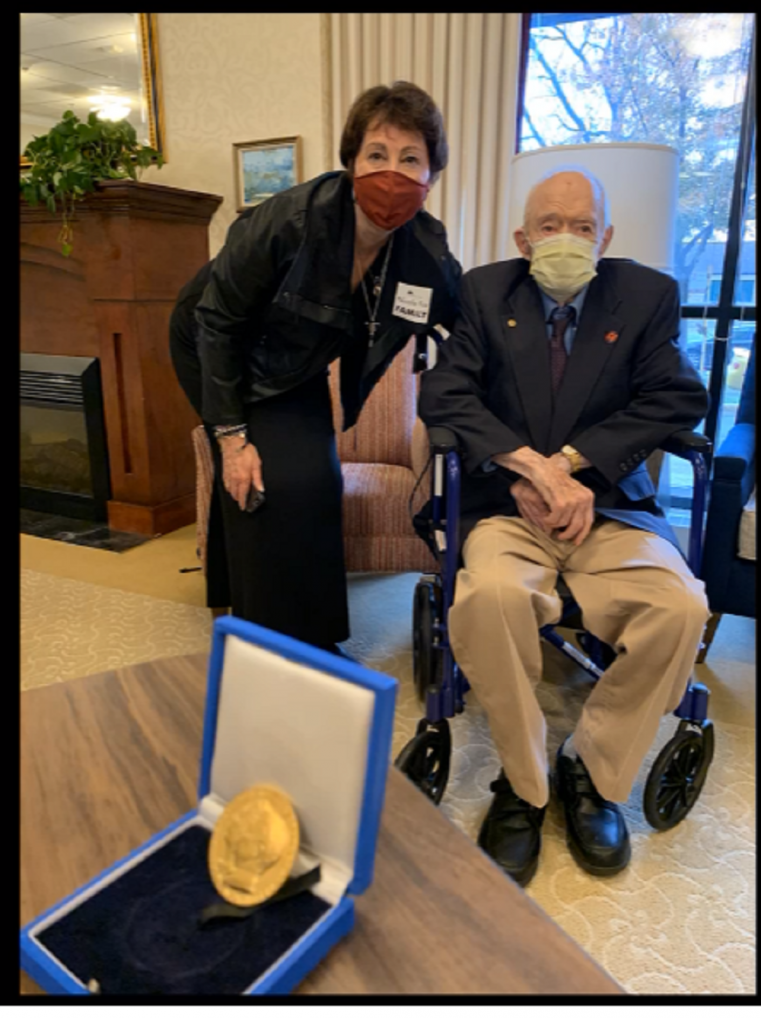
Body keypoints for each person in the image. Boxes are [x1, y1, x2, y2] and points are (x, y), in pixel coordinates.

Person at [418, 167, 710, 887]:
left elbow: (675, 399)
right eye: (550, 225)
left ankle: (591, 768)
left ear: (605, 237)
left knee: (680, 608)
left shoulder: (645, 296)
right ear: (522, 238)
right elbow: (443, 392)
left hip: (607, 506)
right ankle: (522, 783)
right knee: (488, 599)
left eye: (583, 227)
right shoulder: (486, 292)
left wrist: (575, 467)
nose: (566, 239)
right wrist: (530, 470)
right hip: (507, 507)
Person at [170, 81, 461, 652]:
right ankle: (267, 643)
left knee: (317, 479)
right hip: (212, 341)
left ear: (432, 175)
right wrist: (231, 438)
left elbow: (466, 318)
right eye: (377, 154)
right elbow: (217, 322)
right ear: (350, 161)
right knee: (260, 479)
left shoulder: (424, 253)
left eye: (411, 159)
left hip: (294, 365)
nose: (392, 173)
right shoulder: (289, 221)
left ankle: (308, 632)